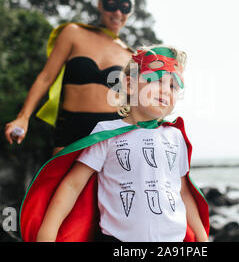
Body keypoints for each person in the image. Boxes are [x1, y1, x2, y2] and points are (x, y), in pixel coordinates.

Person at [19, 46, 209, 242]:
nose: (165, 91)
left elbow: (184, 192)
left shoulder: (175, 136)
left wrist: (202, 237)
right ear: (129, 85)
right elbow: (73, 185)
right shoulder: (107, 133)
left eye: (173, 86)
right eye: (156, 80)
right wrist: (48, 231)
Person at [4, 0, 137, 154]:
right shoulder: (73, 33)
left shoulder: (131, 56)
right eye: (111, 4)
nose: (118, 13)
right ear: (100, 4)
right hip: (71, 132)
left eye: (125, 7)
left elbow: (136, 107)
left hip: (112, 138)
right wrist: (23, 117)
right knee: (60, 182)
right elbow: (46, 77)